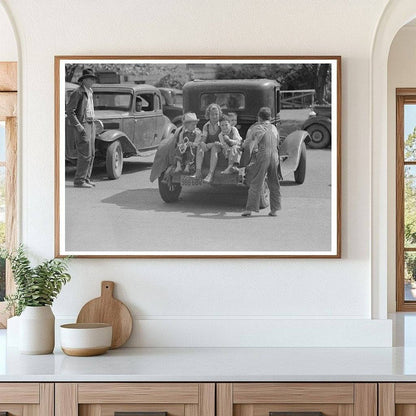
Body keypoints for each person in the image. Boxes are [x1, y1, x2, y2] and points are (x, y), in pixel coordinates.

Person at [241, 107, 282, 217]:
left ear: (259, 117)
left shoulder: (257, 127)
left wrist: (243, 146)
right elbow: (277, 141)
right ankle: (274, 210)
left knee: (256, 182)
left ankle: (249, 209)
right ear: (270, 118)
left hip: (263, 155)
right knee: (274, 182)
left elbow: (249, 143)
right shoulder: (274, 128)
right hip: (275, 156)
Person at [66, 68, 98, 188]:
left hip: (91, 123)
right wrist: (78, 125)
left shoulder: (89, 91)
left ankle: (86, 178)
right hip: (83, 123)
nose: (92, 80)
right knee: (85, 153)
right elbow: (70, 111)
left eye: (93, 78)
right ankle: (79, 180)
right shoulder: (78, 92)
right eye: (90, 78)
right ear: (83, 80)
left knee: (92, 153)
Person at [194, 103, 222, 182]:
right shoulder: (206, 126)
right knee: (200, 146)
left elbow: (224, 139)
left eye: (216, 114)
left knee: (214, 147)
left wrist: (211, 144)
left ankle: (210, 174)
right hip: (210, 145)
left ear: (219, 114)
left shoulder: (222, 125)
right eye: (212, 114)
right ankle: (198, 171)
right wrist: (202, 143)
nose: (214, 116)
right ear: (208, 115)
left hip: (220, 146)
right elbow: (204, 138)